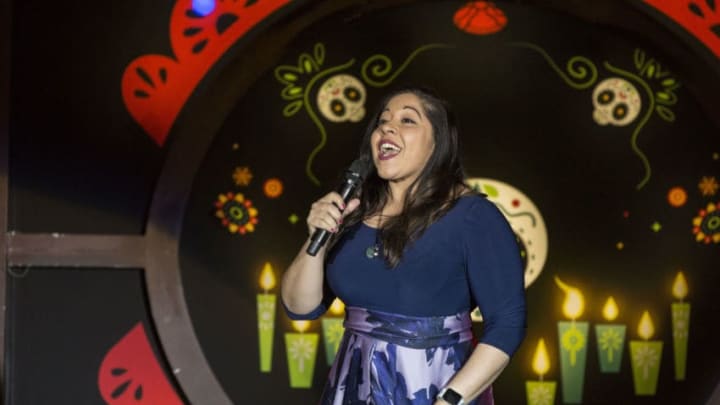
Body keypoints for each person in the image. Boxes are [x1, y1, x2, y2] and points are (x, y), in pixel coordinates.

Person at [281, 86, 526, 405]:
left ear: (438, 142)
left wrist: (450, 400)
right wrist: (318, 235)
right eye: (382, 122)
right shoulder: (353, 212)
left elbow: (507, 324)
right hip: (352, 388)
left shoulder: (472, 216)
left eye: (407, 120)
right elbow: (300, 307)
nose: (387, 127)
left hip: (433, 389)